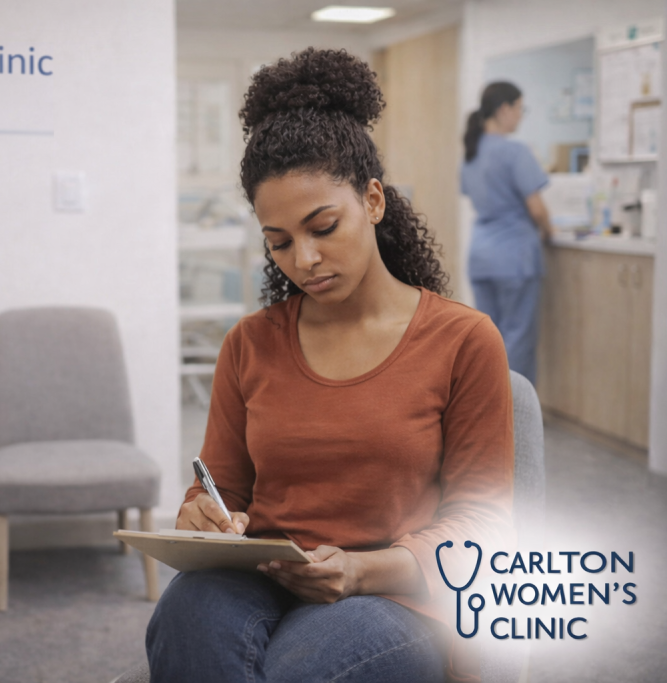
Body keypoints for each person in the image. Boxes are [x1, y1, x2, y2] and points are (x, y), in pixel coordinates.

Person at [145, 49, 515, 683]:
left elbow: (482, 523)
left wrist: (360, 570)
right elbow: (223, 489)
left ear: (372, 200)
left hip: (392, 593)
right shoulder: (249, 344)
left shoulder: (462, 340)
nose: (304, 259)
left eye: (323, 227)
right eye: (280, 242)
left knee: (304, 669)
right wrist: (200, 518)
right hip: (261, 576)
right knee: (183, 616)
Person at [461, 81, 553, 385]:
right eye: (519, 109)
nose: (520, 116)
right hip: (515, 256)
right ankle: (516, 419)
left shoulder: (472, 152)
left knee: (490, 341)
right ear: (504, 109)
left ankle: (489, 414)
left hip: (482, 256)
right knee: (517, 340)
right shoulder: (515, 151)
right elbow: (537, 209)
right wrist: (549, 231)